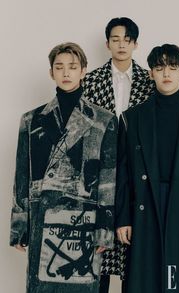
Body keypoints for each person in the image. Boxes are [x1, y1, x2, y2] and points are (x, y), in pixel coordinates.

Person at [10, 42, 118, 293]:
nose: (66, 72)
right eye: (59, 67)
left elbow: (108, 179)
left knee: (83, 284)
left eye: (72, 67)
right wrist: (19, 226)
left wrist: (105, 228)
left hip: (84, 220)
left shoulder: (103, 120)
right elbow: (22, 174)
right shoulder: (31, 119)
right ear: (52, 73)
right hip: (42, 217)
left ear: (83, 71)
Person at [116, 44, 179, 293]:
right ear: (151, 73)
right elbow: (122, 173)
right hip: (146, 204)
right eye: (159, 67)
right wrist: (122, 219)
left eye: (173, 67)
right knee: (145, 282)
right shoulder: (132, 118)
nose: (166, 73)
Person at [83, 17, 155, 293]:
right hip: (98, 175)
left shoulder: (150, 82)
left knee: (133, 258)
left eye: (127, 39)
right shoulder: (90, 81)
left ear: (135, 44)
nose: (121, 44)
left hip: (138, 175)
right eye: (116, 39)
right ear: (107, 44)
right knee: (96, 256)